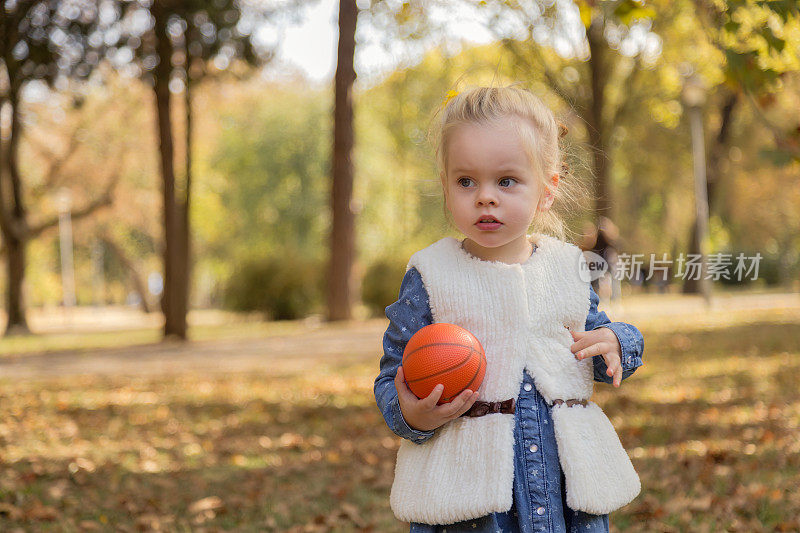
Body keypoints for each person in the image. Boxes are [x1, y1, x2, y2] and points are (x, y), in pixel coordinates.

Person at [373, 85, 645, 533]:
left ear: (547, 190)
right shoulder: (432, 274)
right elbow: (394, 374)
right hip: (470, 494)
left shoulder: (566, 267)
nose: (485, 196)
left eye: (506, 181)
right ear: (446, 188)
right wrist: (410, 414)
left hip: (565, 478)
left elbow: (596, 348)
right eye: (466, 182)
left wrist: (618, 342)